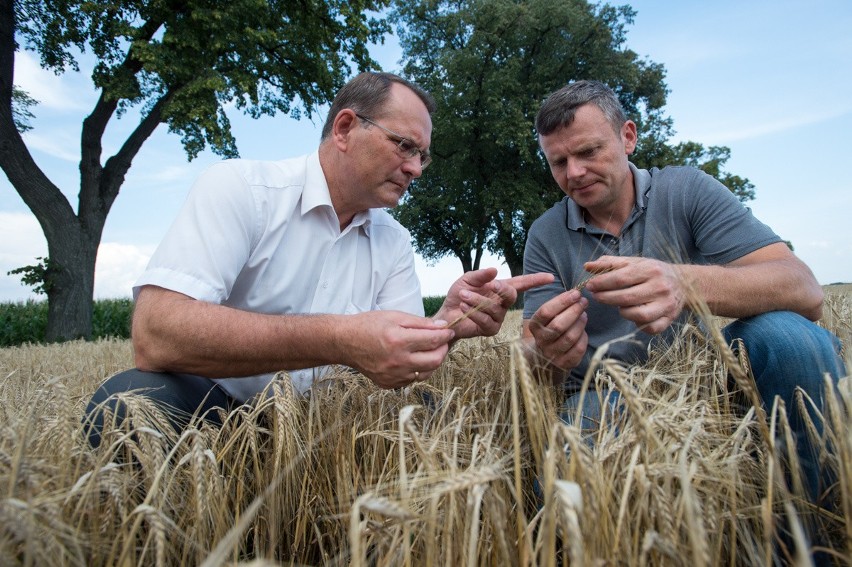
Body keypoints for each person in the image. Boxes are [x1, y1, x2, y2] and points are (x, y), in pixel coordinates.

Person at [85, 71, 552, 447]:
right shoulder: (240, 189)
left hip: (332, 424)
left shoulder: (394, 241)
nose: (414, 168)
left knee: (429, 417)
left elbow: (398, 370)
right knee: (125, 406)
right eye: (404, 146)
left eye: (423, 157)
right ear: (345, 128)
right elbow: (156, 333)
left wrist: (446, 325)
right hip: (218, 407)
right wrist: (339, 338)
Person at [521, 80, 846, 558]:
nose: (575, 172)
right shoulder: (546, 234)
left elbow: (805, 290)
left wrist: (683, 283)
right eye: (558, 162)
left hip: (714, 374)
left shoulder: (687, 189)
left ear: (627, 136)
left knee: (791, 339)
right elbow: (535, 364)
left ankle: (806, 544)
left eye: (588, 151)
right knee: (567, 462)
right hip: (604, 392)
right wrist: (547, 352)